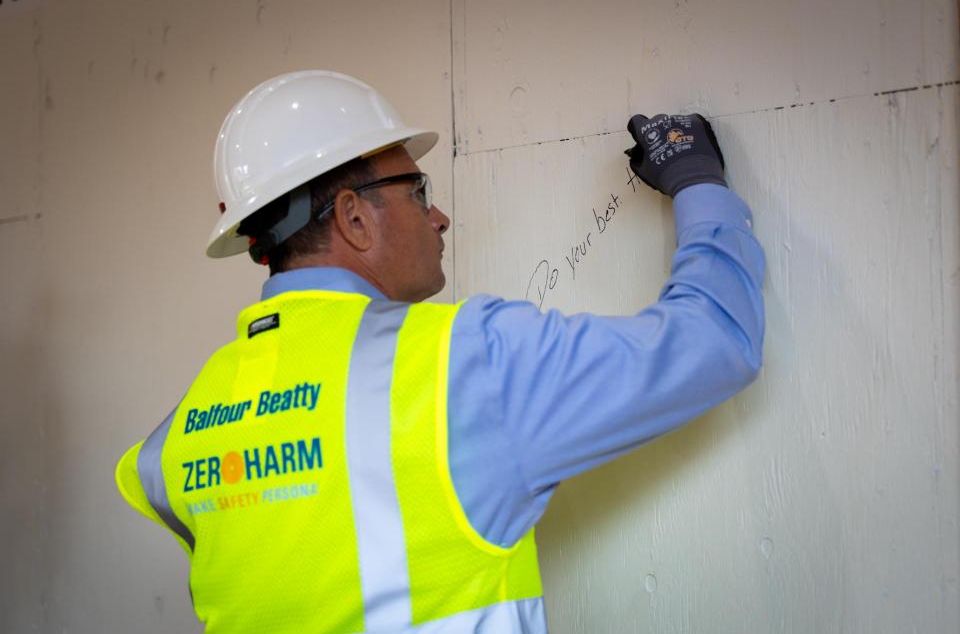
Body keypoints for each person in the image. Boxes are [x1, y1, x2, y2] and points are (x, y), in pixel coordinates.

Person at [115, 70, 764, 633]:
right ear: (353, 218)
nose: (439, 217)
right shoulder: (465, 364)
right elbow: (714, 343)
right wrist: (697, 180)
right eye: (418, 191)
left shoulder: (178, 435)